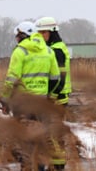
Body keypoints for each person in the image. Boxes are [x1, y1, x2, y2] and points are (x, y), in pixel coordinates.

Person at [2, 21, 61, 170]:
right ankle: (40, 167)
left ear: (22, 35)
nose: (16, 39)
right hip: (42, 104)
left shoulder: (20, 51)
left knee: (25, 139)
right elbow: (55, 77)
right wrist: (50, 96)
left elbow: (11, 79)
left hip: (23, 105)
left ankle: (27, 167)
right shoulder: (48, 51)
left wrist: (5, 100)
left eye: (17, 36)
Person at [35, 16, 70, 169]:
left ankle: (58, 166)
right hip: (58, 97)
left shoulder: (56, 50)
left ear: (52, 32)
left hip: (58, 98)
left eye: (43, 33)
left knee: (52, 135)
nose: (41, 36)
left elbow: (60, 77)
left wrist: (52, 96)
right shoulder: (53, 48)